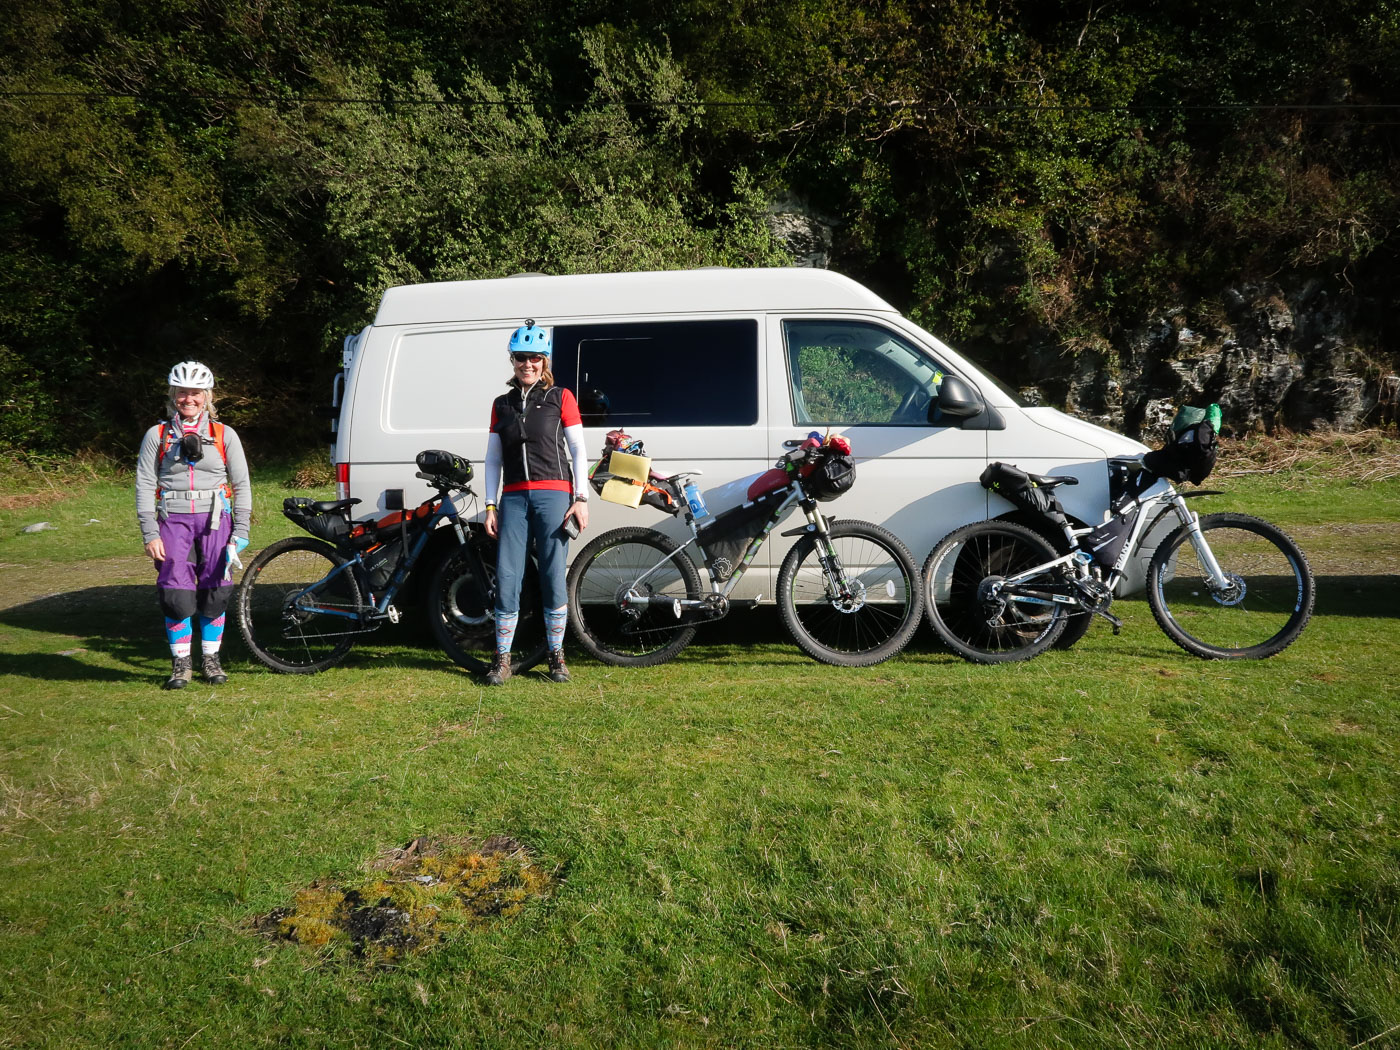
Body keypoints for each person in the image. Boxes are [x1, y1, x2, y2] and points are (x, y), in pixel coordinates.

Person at [482, 321, 589, 684]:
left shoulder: (561, 397)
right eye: (520, 358)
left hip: (554, 495)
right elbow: (493, 459)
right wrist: (490, 505)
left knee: (552, 575)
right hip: (513, 497)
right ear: (512, 361)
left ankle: (556, 656)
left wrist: (581, 498)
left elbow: (578, 450)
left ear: (545, 361)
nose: (527, 364)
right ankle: (502, 659)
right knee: (508, 576)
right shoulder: (502, 404)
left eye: (534, 358)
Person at [135, 361, 252, 689]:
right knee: (176, 595)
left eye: (196, 393)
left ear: (207, 396)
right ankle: (181, 664)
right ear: (173, 395)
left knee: (216, 591)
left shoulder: (224, 434)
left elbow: (241, 484)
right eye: (182, 392)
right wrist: (150, 533)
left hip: (216, 522)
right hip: (173, 522)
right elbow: (144, 485)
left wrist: (241, 531)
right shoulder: (157, 435)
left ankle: (211, 659)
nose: (189, 399)